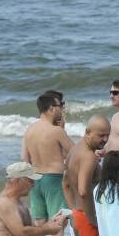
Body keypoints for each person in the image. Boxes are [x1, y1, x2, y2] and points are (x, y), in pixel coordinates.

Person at [62, 115, 109, 236]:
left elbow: (65, 184)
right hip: (86, 218)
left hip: (77, 215)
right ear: (88, 132)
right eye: (101, 135)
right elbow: (83, 190)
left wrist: (74, 210)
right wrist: (92, 219)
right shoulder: (89, 157)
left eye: (108, 135)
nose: (105, 139)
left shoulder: (74, 150)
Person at [21, 92, 73, 223]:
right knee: (58, 224)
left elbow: (25, 159)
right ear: (51, 108)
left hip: (35, 179)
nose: (62, 109)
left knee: (40, 225)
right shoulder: (56, 131)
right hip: (54, 179)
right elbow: (75, 153)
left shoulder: (29, 130)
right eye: (60, 106)